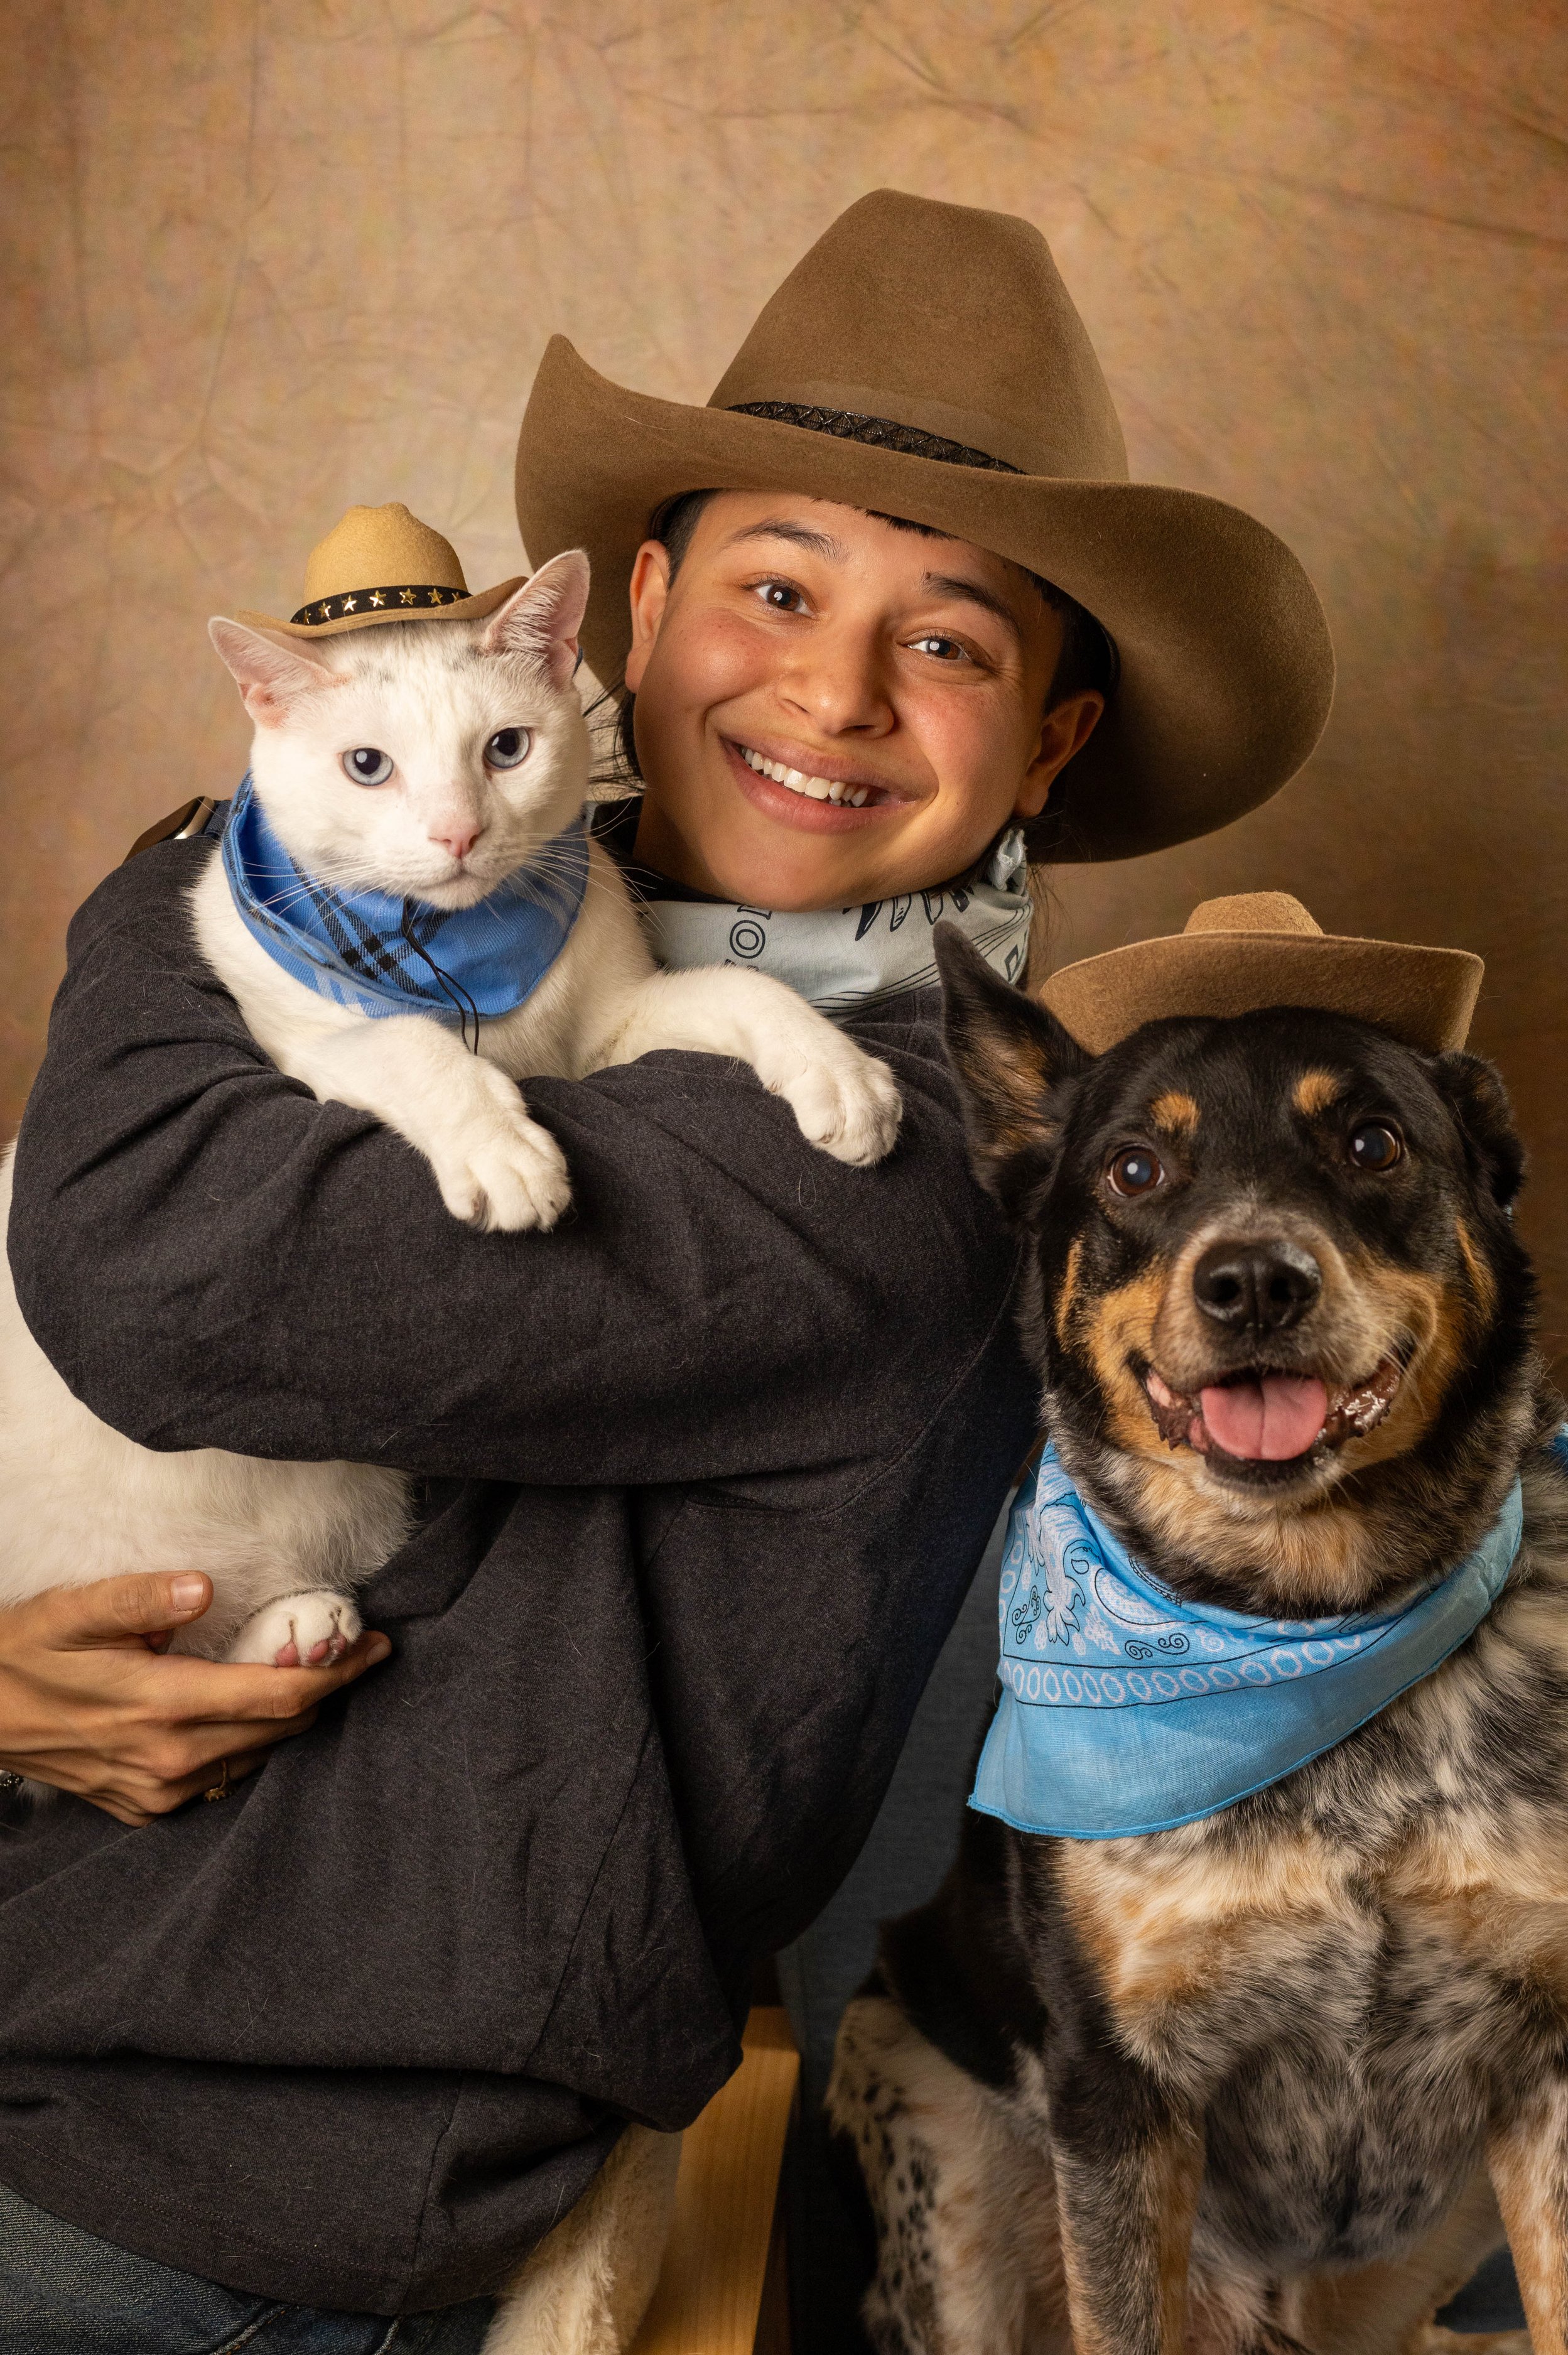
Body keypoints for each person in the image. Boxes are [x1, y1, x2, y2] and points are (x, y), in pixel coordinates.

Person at [0, 190, 1331, 2348]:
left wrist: (186, 873)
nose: (831, 688)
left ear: (1052, 741)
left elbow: (154, 1275)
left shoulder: (936, 1152)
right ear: (629, 614)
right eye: (776, 586)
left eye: (954, 640)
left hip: (242, 2184)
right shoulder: (473, 868)